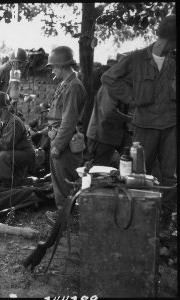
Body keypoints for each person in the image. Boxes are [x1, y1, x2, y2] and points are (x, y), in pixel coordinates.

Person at [101, 15, 177, 237]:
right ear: (168, 39)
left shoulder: (174, 61)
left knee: (170, 176)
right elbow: (109, 78)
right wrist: (132, 98)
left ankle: (163, 222)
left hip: (171, 125)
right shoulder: (135, 59)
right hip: (144, 125)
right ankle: (135, 218)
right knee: (138, 173)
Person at [45, 46, 87, 210]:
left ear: (62, 65)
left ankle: (64, 216)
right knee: (60, 179)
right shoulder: (66, 84)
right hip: (58, 137)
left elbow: (68, 121)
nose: (52, 71)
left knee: (64, 180)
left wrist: (58, 145)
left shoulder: (73, 87)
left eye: (53, 67)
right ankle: (64, 213)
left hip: (66, 142)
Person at [0, 92, 35, 187]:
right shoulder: (0, 121)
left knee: (4, 155)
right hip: (15, 152)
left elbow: (6, 145)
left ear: (3, 108)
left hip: (25, 154)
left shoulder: (14, 123)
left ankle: (6, 186)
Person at [86, 84, 133, 166]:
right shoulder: (111, 86)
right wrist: (129, 119)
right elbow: (109, 112)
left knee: (130, 163)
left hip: (112, 135)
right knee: (99, 171)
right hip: (102, 136)